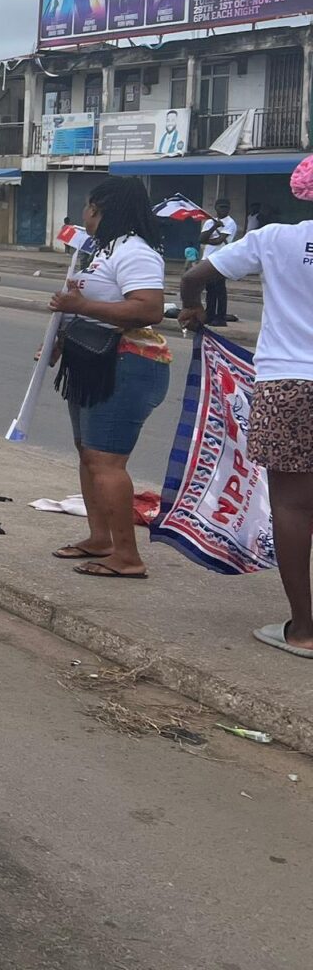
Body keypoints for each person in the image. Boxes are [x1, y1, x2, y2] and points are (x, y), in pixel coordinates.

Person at [179, 165, 313, 659]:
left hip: (286, 383)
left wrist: (194, 310)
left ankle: (303, 628)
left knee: (294, 506)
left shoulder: (275, 239)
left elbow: (195, 275)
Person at [46, 177, 171, 579]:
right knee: (88, 453)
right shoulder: (102, 251)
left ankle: (127, 557)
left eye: (87, 205)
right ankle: (99, 538)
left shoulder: (136, 252)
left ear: (100, 208)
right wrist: (59, 338)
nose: (83, 213)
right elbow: (86, 308)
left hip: (126, 364)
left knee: (106, 461)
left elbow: (149, 309)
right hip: (92, 362)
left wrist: (81, 303)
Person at [200, 198, 239, 325]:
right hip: (207, 258)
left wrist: (207, 239)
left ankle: (221, 317)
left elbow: (219, 241)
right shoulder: (209, 222)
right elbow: (201, 238)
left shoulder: (230, 223)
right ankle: (209, 314)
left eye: (226, 207)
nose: (224, 210)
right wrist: (213, 228)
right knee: (210, 289)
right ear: (216, 208)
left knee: (220, 289)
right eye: (221, 207)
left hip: (222, 259)